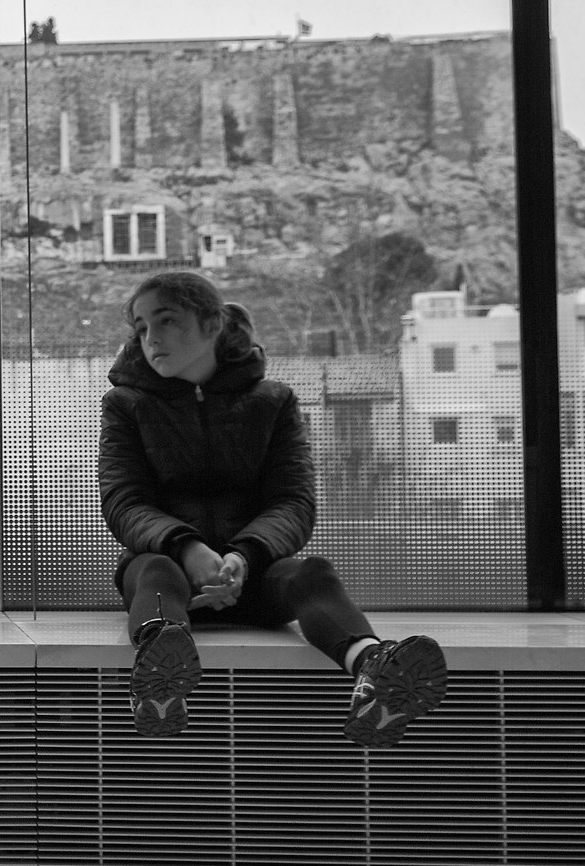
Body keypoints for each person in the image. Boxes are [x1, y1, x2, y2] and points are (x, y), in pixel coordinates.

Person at [99, 269, 448, 747]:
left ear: (211, 324)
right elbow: (125, 501)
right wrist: (189, 549)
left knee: (311, 573)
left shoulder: (274, 402)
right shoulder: (125, 404)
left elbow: (294, 502)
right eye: (140, 328)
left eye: (165, 321)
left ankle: (373, 672)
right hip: (168, 579)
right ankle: (159, 676)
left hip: (254, 578)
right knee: (155, 568)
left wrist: (243, 557)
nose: (150, 338)